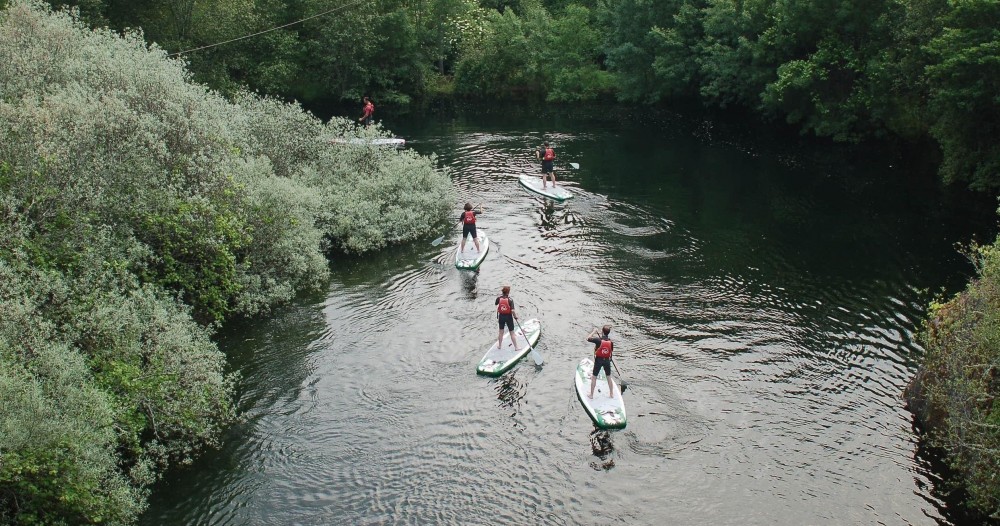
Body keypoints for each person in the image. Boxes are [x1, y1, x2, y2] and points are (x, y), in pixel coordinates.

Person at [586, 325, 615, 399]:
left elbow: (588, 338)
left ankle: (591, 395)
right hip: (607, 361)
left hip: (599, 360)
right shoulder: (611, 342)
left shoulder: (598, 340)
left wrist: (594, 331)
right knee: (608, 377)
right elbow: (611, 350)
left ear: (602, 331)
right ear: (608, 333)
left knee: (594, 377)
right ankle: (611, 394)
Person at [496, 286, 521, 354]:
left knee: (501, 332)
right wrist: (515, 317)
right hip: (508, 317)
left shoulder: (499, 298)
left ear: (502, 292)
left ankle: (499, 346)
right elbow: (512, 310)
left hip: (501, 317)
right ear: (508, 292)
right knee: (512, 333)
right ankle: (516, 347)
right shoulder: (510, 300)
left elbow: (496, 304)